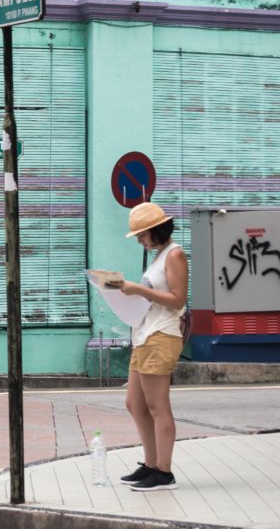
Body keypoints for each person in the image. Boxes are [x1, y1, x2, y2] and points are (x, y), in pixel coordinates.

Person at [105, 202, 188, 492]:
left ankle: (164, 472)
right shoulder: (159, 256)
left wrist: (138, 290)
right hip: (144, 334)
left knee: (157, 406)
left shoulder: (174, 254)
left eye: (142, 235)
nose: (140, 240)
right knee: (134, 403)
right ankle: (151, 464)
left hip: (161, 335)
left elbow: (178, 299)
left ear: (155, 230)